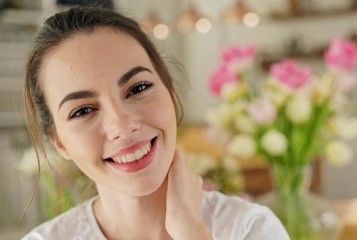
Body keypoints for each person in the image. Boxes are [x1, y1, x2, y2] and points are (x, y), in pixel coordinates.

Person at [22, 6, 289, 240]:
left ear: (171, 93)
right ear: (59, 142)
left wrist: (191, 231)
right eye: (82, 111)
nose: (123, 126)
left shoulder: (248, 229)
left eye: (138, 88)